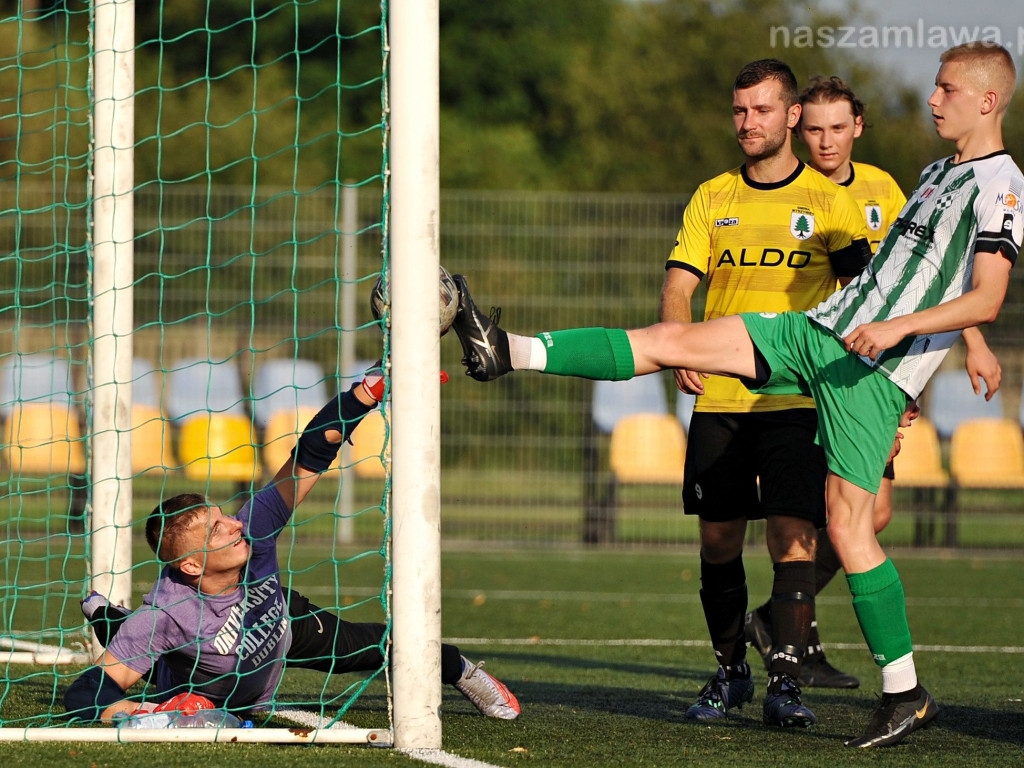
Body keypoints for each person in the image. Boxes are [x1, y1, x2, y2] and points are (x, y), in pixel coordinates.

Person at [450, 41, 1021, 747]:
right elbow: (891, 273)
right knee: (673, 341)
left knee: (851, 527)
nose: (933, 99)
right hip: (821, 334)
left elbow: (986, 296)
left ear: (988, 100)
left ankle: (904, 692)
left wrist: (915, 338)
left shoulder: (1000, 182)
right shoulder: (936, 173)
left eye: (947, 90)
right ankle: (505, 351)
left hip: (870, 371)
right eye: (934, 87)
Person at [63, 365, 520, 723]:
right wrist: (125, 714)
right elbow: (86, 690)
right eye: (215, 529)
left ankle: (460, 667)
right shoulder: (167, 614)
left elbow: (310, 455)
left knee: (380, 646)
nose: (233, 525)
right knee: (155, 671)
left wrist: (364, 394)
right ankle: (110, 618)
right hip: (193, 678)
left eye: (224, 515)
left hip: (282, 625)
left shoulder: (252, 529)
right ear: (191, 566)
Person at [743, 75, 1002, 689]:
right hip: (797, 364)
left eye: (838, 128)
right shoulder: (783, 190)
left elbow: (930, 276)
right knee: (805, 518)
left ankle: (781, 621)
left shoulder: (890, 189)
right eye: (814, 129)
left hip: (869, 371)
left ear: (857, 127)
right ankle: (789, 641)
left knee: (869, 515)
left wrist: (972, 343)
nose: (826, 142)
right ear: (797, 127)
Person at [657, 59, 874, 729]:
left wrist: (867, 389)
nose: (746, 122)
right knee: (719, 540)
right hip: (721, 396)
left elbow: (863, 297)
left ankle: (786, 684)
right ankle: (730, 674)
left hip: (798, 397)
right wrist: (677, 337)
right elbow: (679, 282)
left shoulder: (830, 203)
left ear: (790, 118)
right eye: (739, 110)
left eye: (760, 110)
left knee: (793, 536)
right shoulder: (713, 196)